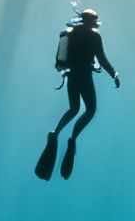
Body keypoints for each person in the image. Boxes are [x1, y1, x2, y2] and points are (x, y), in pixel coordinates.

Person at [35, 9, 119, 180]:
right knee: (90, 110)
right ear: (92, 22)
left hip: (71, 76)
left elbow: (60, 62)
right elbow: (102, 59)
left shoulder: (69, 34)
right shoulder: (94, 37)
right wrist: (114, 74)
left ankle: (55, 133)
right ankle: (72, 139)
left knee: (73, 108)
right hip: (84, 76)